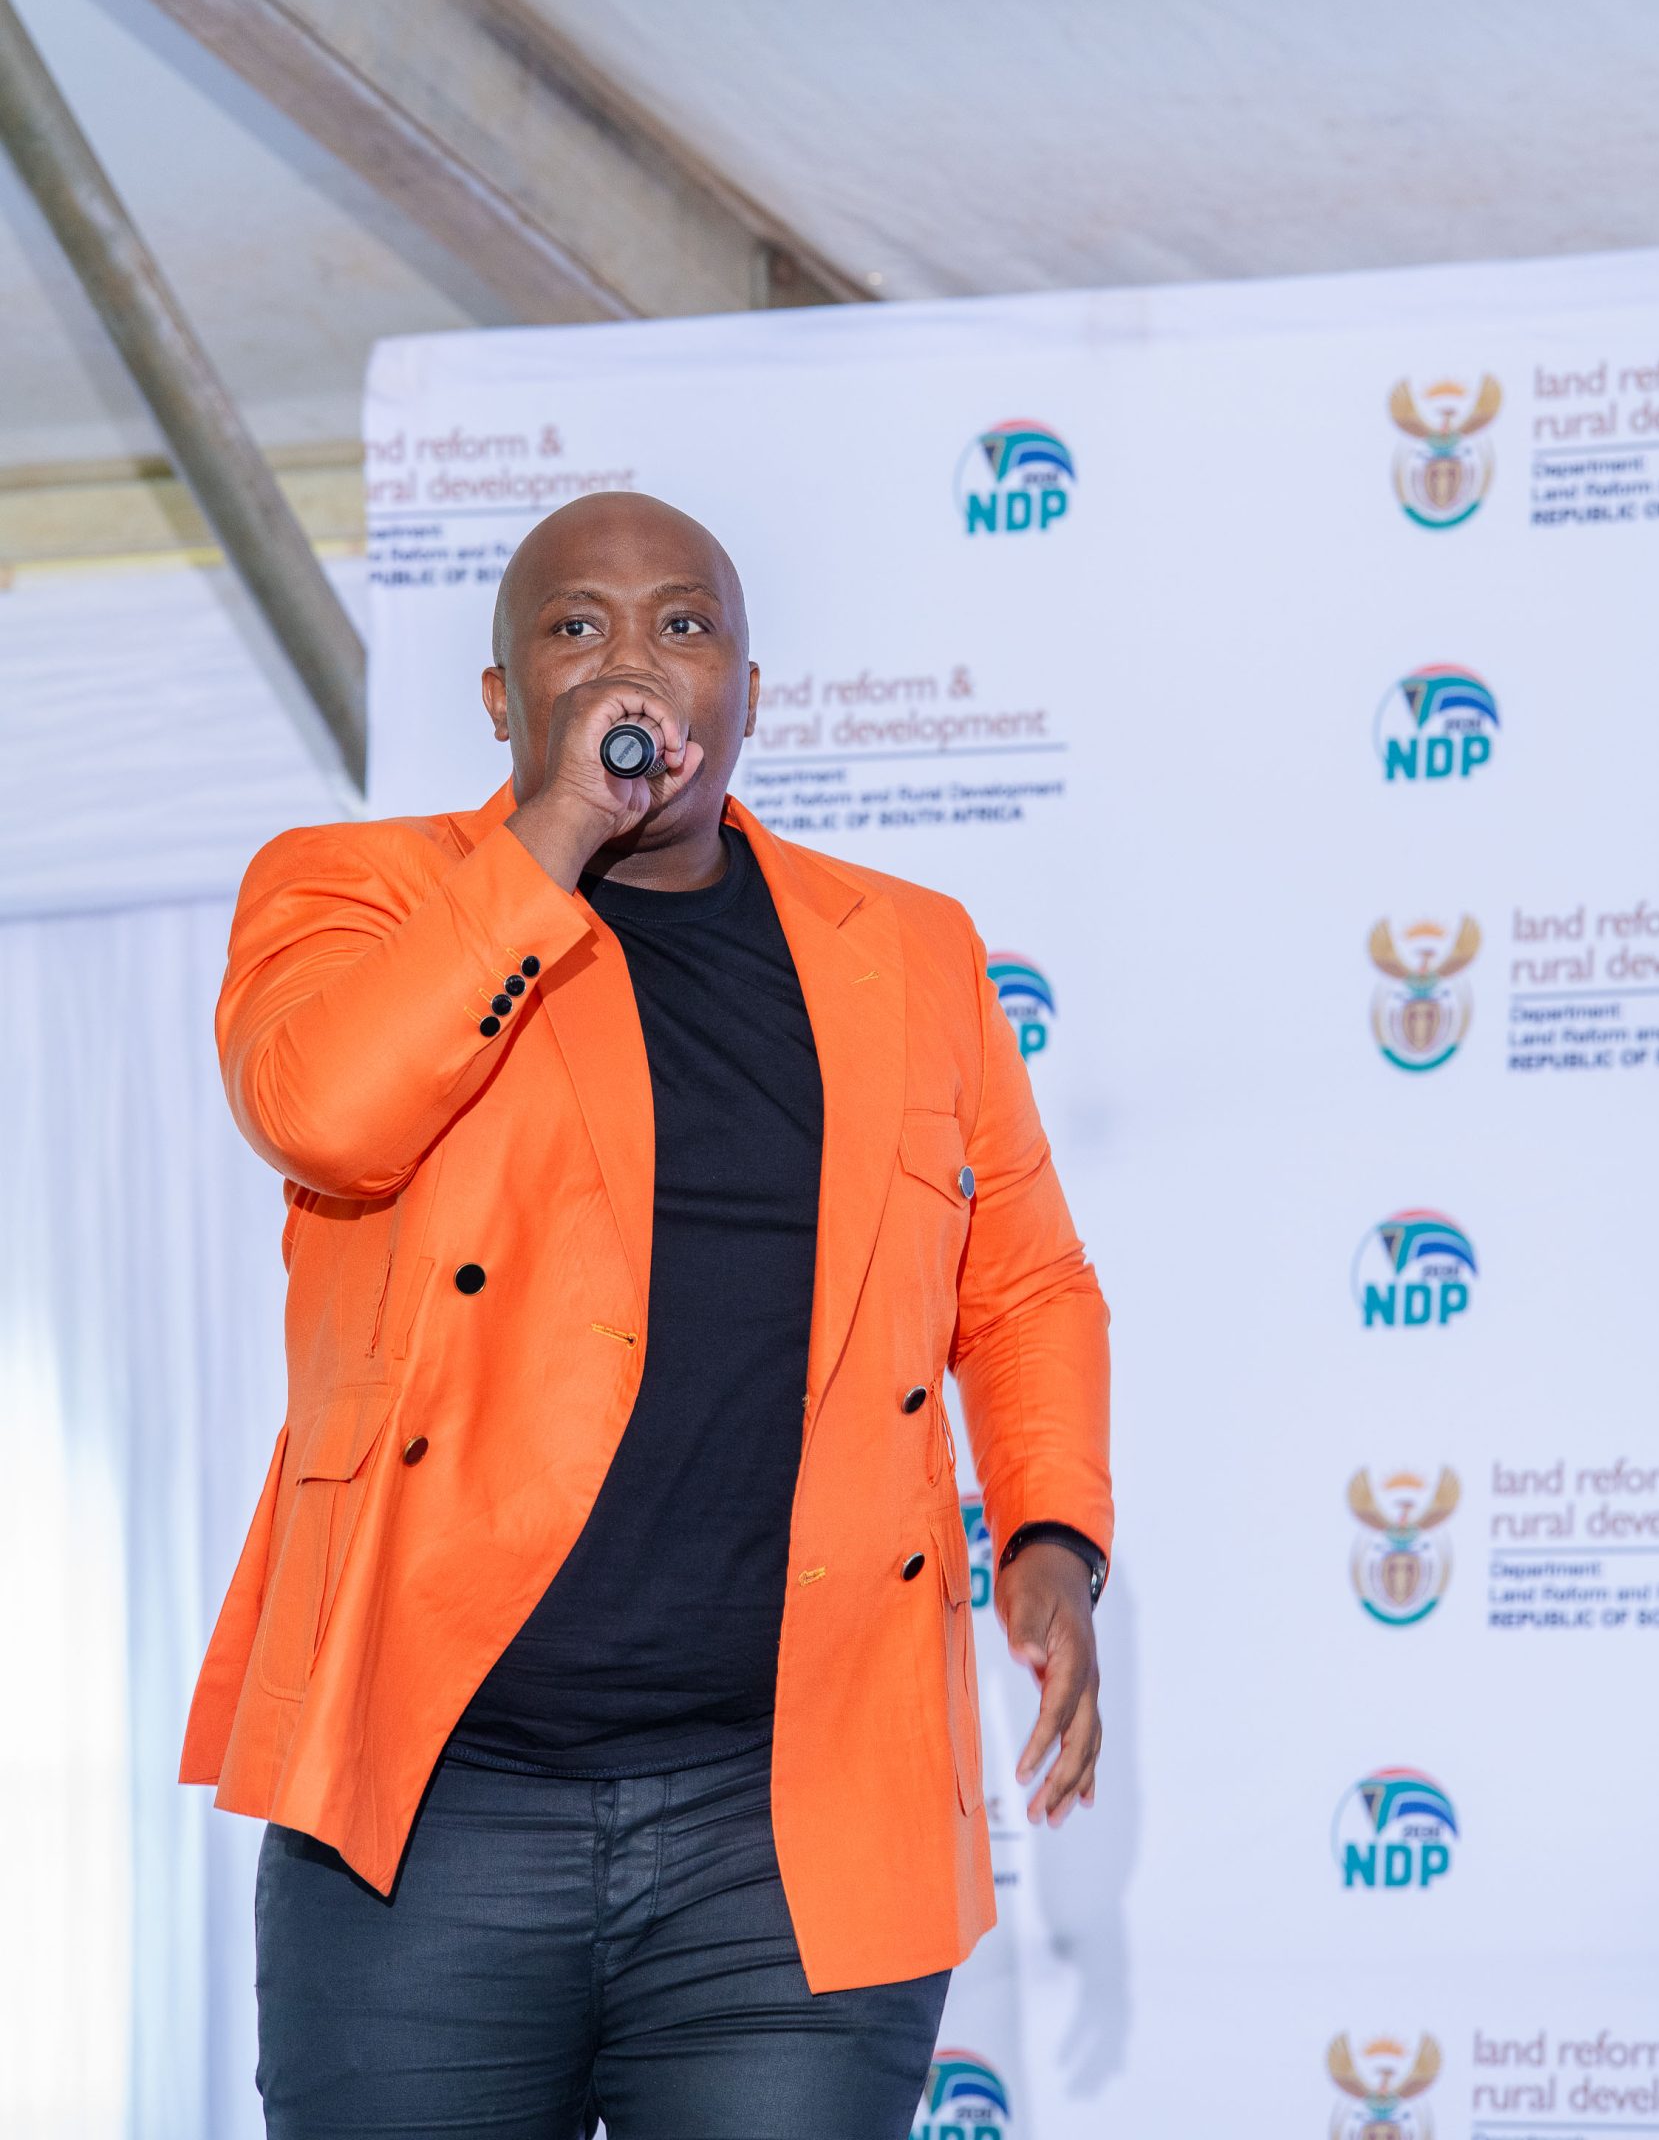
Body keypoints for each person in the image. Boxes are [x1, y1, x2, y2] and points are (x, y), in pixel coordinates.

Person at [180, 491, 1113, 2140]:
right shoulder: (357, 893)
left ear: (749, 692)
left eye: (684, 626)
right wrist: (548, 835)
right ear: (502, 699)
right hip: (428, 1804)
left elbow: (1024, 1279)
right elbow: (326, 1116)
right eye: (575, 628)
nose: (633, 661)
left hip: (789, 1819)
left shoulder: (909, 952)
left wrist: (1049, 1536)